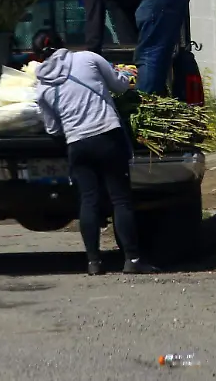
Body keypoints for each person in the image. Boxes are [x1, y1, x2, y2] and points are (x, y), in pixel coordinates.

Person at [34, 34, 156, 276]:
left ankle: (93, 263)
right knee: (120, 199)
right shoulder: (88, 58)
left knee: (88, 200)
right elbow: (120, 85)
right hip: (106, 136)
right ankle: (132, 259)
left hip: (77, 145)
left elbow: (52, 128)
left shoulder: (42, 87)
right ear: (64, 45)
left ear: (38, 57)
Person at [52, 0, 191, 95]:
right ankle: (159, 96)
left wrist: (90, 60)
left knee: (148, 53)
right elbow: (125, 13)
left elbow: (94, 18)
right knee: (152, 52)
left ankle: (148, 105)